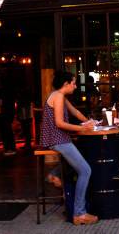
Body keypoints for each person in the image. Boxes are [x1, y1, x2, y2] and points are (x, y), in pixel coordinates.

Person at [39, 71, 98, 225]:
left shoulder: (60, 95)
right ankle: (79, 213)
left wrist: (90, 123)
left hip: (61, 138)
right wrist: (82, 129)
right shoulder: (58, 96)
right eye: (73, 82)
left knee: (80, 155)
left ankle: (54, 174)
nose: (75, 85)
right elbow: (59, 123)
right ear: (66, 84)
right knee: (85, 170)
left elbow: (76, 112)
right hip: (58, 139)